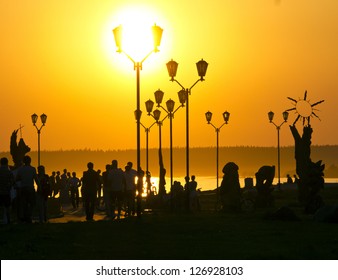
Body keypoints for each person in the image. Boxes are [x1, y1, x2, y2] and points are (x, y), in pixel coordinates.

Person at [16, 155, 40, 223]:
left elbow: (17, 178)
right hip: (30, 188)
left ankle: (25, 216)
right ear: (30, 161)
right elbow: (36, 179)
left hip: (23, 188)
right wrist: (39, 187)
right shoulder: (32, 169)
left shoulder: (20, 169)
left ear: (23, 161)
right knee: (32, 203)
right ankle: (29, 216)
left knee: (24, 204)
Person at [0, 157, 15, 224]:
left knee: (1, 206)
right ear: (7, 163)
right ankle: (8, 220)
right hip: (7, 191)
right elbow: (12, 181)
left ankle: (2, 219)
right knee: (8, 206)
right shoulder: (9, 172)